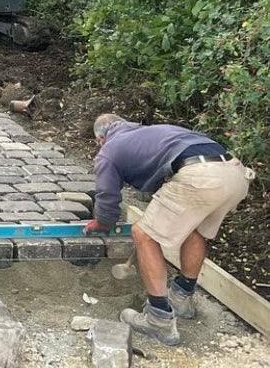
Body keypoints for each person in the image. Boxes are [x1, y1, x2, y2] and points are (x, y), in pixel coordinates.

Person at [84, 114, 251, 346]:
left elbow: (107, 196)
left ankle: (158, 319)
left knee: (144, 234)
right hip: (235, 173)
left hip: (200, 176)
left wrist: (102, 223)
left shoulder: (109, 150)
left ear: (100, 139)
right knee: (195, 230)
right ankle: (181, 299)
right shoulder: (150, 133)